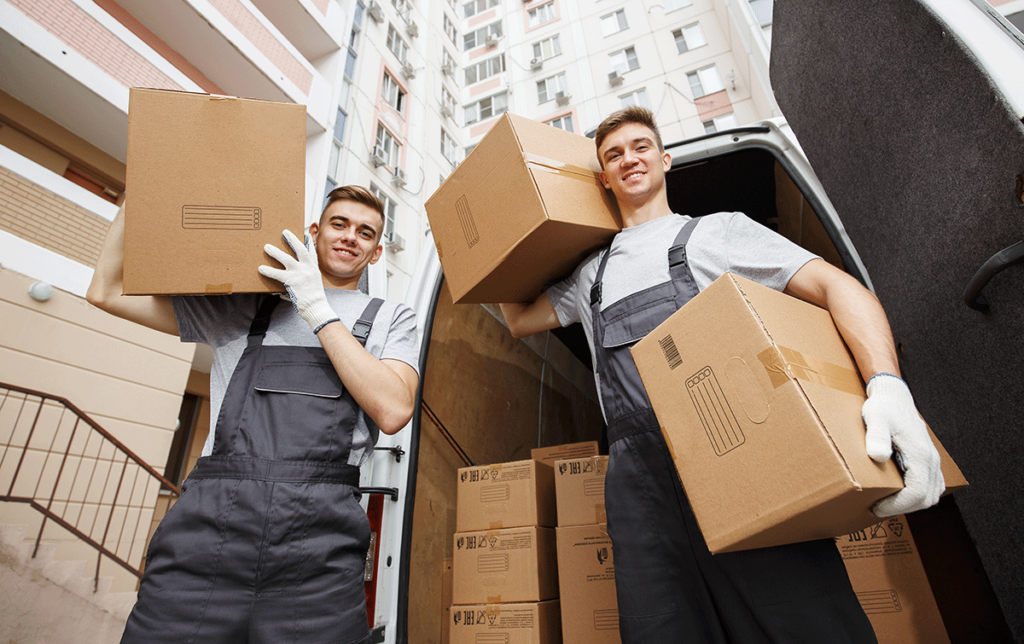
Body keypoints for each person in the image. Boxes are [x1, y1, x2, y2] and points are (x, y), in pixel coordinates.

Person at [499, 107, 944, 644]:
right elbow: (520, 319)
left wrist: (887, 387)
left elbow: (839, 289)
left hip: (740, 457)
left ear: (664, 160)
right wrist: (507, 229)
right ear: (603, 178)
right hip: (640, 492)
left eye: (640, 146)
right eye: (613, 154)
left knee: (805, 622)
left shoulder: (718, 234)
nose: (628, 159)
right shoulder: (590, 274)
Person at [87, 185, 419, 644]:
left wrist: (316, 308)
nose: (350, 237)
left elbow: (394, 409)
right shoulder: (243, 306)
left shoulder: (391, 318)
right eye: (339, 224)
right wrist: (136, 195)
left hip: (318, 557)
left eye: (365, 232)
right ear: (314, 232)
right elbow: (106, 292)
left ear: (377, 252)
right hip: (205, 544)